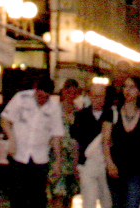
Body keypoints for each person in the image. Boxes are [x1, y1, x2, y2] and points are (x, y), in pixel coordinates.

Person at [1, 75, 64, 208]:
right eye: (40, 96)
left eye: (46, 98)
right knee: (17, 195)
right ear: (35, 90)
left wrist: (58, 161)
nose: (42, 100)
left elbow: (57, 135)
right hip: (19, 154)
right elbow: (5, 120)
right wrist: (12, 139)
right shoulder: (21, 98)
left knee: (38, 197)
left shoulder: (54, 107)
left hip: (40, 157)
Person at [102, 75, 140, 208]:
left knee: (132, 204)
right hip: (116, 167)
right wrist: (109, 163)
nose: (127, 90)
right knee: (117, 204)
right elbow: (105, 141)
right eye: (125, 87)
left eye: (132, 87)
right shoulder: (112, 112)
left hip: (137, 168)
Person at [75, 83, 114, 208]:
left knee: (107, 200)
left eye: (101, 96)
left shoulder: (112, 115)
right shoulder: (81, 115)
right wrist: (77, 163)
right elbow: (76, 141)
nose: (98, 99)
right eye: (95, 96)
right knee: (89, 201)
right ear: (90, 97)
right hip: (87, 163)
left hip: (106, 164)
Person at [48, 80, 86, 208]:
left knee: (69, 195)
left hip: (73, 158)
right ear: (63, 92)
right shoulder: (54, 111)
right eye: (68, 92)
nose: (71, 95)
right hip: (58, 157)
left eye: (74, 93)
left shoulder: (79, 113)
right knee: (58, 194)